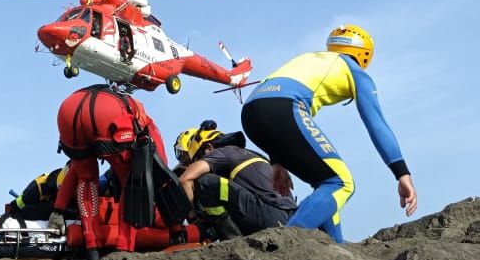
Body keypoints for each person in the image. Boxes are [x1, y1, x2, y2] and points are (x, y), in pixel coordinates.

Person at [240, 24, 417, 243]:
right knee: (341, 183)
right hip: (284, 107)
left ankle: (337, 248)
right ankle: (280, 245)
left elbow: (268, 103)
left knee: (326, 185)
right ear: (364, 55)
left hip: (251, 111)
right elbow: (376, 123)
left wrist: (277, 162)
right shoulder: (354, 70)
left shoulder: (310, 58)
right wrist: (402, 173)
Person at [48, 85, 190, 260]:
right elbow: (161, 175)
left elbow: (76, 173)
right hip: (107, 112)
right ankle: (124, 250)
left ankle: (93, 249)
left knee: (86, 179)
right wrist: (176, 228)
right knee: (130, 182)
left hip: (68, 108)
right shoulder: (148, 124)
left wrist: (58, 209)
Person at [175, 121, 297, 239]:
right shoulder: (249, 154)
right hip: (291, 219)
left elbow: (185, 179)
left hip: (270, 216)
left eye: (199, 158)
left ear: (208, 148)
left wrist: (194, 220)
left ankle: (232, 239)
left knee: (205, 182)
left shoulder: (221, 152)